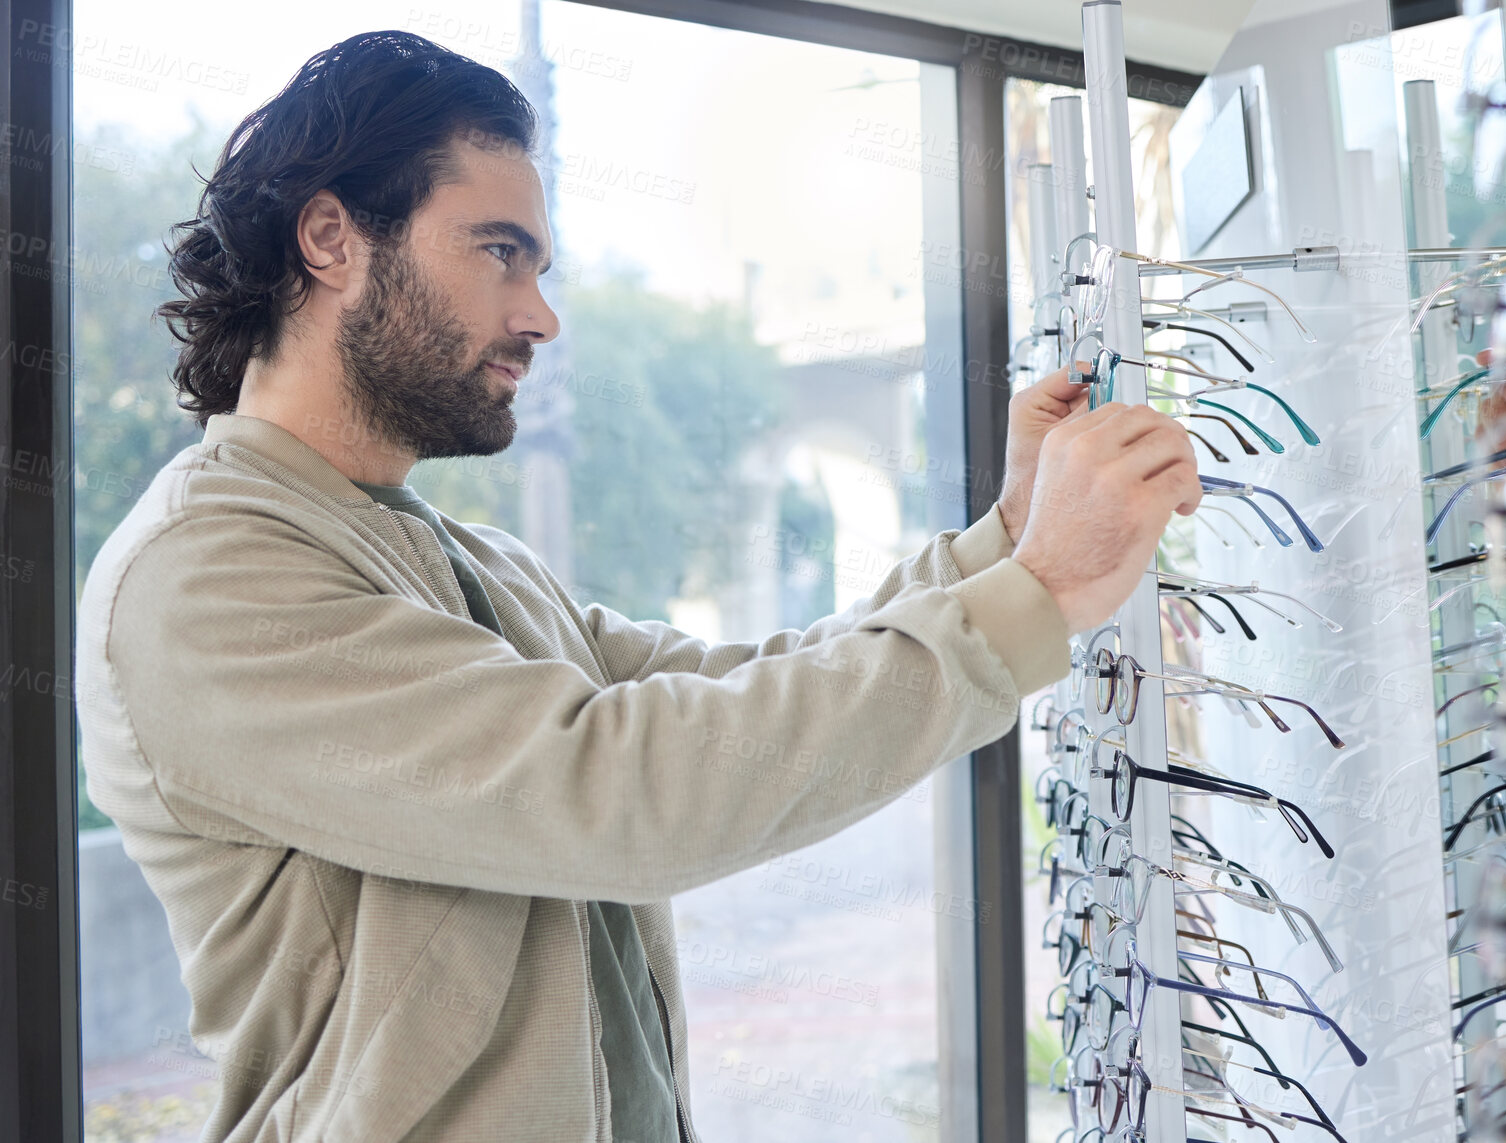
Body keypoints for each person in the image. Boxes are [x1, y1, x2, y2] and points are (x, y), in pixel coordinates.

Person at [73, 29, 1201, 1143]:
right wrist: (1042, 594)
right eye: (498, 251)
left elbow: (743, 693)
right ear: (331, 237)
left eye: (538, 267)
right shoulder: (206, 575)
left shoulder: (472, 565)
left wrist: (1006, 543)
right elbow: (624, 790)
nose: (539, 315)